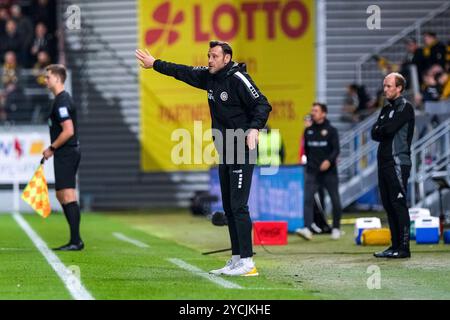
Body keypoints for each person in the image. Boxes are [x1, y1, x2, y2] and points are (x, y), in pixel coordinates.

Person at [135, 41, 272, 276]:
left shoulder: (238, 77)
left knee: (239, 206)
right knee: (229, 207)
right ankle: (237, 259)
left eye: (215, 56)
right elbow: (182, 71)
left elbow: (263, 103)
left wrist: (255, 129)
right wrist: (154, 64)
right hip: (226, 149)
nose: (210, 60)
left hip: (242, 147)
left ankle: (248, 263)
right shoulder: (209, 77)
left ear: (227, 58)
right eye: (209, 55)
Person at [371, 72, 415, 259]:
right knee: (388, 205)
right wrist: (383, 129)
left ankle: (404, 248)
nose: (385, 89)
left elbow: (387, 129)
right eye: (384, 86)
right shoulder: (386, 108)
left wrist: (383, 129)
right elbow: (374, 133)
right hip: (384, 162)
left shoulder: (405, 108)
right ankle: (394, 245)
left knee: (398, 204)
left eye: (389, 86)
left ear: (399, 88)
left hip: (397, 161)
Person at [42, 64, 83, 251]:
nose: (45, 80)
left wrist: (51, 147)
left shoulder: (62, 101)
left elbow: (68, 131)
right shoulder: (59, 100)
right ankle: (75, 239)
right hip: (64, 153)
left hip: (67, 152)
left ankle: (76, 241)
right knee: (61, 194)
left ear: (58, 78)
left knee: (68, 194)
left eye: (48, 77)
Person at [295, 102, 342, 241]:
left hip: (329, 172)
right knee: (308, 199)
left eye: (316, 111)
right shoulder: (308, 131)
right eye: (312, 110)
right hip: (312, 171)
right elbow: (307, 151)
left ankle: (336, 228)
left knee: (335, 200)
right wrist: (311, 164)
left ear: (323, 113)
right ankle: (307, 228)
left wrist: (329, 161)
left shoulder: (331, 130)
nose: (313, 113)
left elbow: (336, 150)